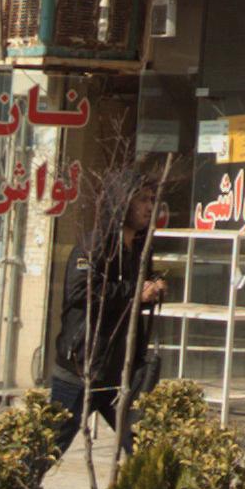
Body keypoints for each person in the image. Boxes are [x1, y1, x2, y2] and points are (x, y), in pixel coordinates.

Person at [49, 177, 166, 458]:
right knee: (49, 446)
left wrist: (154, 287)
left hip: (119, 371)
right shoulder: (95, 245)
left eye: (152, 200)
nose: (149, 207)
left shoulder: (140, 247)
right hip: (83, 367)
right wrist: (135, 291)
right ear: (122, 203)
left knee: (144, 447)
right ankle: (17, 485)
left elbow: (134, 295)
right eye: (142, 199)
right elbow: (80, 292)